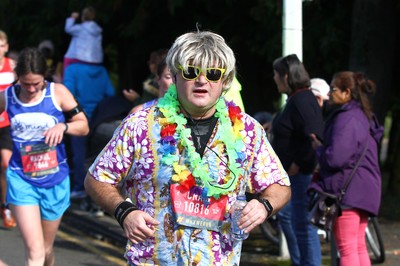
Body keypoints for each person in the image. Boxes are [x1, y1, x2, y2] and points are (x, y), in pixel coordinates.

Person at [84, 30, 291, 265]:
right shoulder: (140, 125)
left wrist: (264, 205)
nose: (202, 81)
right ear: (174, 75)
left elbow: (280, 186)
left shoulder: (247, 131)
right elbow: (97, 179)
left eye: (213, 74)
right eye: (191, 72)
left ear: (225, 81)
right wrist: (124, 212)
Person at [0, 47, 89, 265]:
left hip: (55, 180)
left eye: (36, 83)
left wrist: (64, 127)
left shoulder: (57, 92)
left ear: (44, 77)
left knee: (46, 250)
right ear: (17, 78)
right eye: (25, 83)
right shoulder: (7, 96)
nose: (30, 89)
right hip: (21, 179)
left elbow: (83, 126)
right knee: (35, 251)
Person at [310, 71, 383, 266]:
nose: (330, 94)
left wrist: (319, 149)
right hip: (364, 189)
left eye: (333, 89)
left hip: (347, 192)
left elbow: (335, 158)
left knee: (348, 247)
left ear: (347, 92)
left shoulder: (347, 118)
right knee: (358, 246)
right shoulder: (363, 116)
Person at [271, 54, 324, 265]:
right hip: (295, 175)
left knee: (303, 226)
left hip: (301, 176)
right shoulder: (297, 98)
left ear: (286, 76)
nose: (274, 78)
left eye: (276, 74)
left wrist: (300, 163)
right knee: (289, 219)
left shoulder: (302, 100)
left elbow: (316, 136)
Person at [63, 62, 115, 199]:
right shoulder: (102, 70)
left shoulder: (72, 69)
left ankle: (80, 187)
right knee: (97, 155)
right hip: (99, 120)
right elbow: (110, 92)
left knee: (79, 154)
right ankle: (96, 192)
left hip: (79, 117)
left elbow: (67, 92)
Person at [0, 30, 16, 228]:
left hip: (6, 123)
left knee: (6, 164)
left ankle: (6, 207)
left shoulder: (12, 67)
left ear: (6, 47)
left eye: (1, 45)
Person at [63, 6, 103, 72]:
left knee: (68, 58)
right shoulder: (98, 31)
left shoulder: (80, 28)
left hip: (77, 59)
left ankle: (66, 81)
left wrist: (72, 18)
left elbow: (68, 29)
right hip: (95, 60)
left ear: (83, 17)